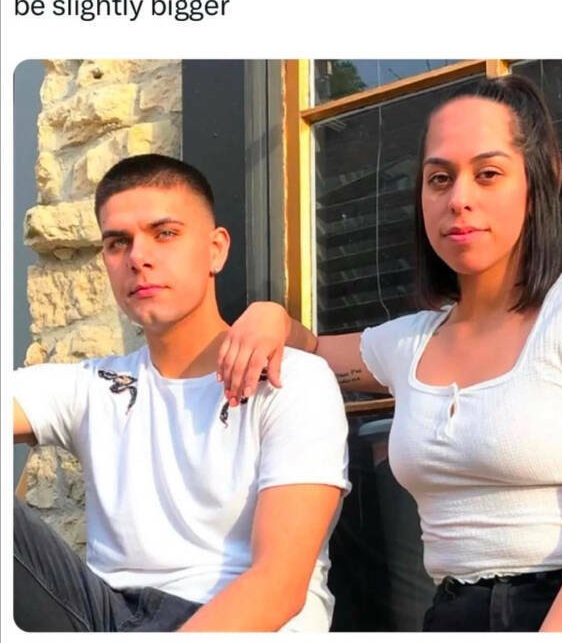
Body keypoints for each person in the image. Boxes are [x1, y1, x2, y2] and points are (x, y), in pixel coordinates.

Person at [216, 74, 562, 632]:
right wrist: (270, 316)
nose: (459, 199)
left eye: (488, 174)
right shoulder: (409, 344)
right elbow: (309, 350)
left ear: (542, 178)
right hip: (450, 611)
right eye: (439, 178)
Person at [12, 154, 350, 632]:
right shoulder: (90, 387)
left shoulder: (291, 381)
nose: (138, 257)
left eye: (165, 233)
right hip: (102, 616)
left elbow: (279, 583)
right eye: (118, 242)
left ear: (216, 249)